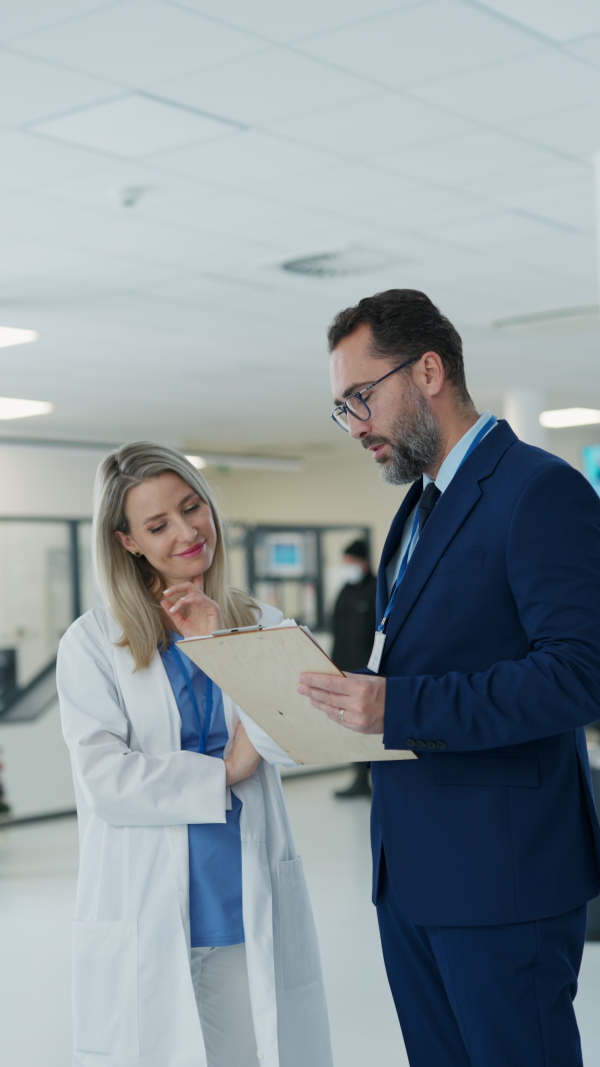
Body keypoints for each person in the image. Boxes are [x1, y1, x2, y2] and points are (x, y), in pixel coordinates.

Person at [297, 288, 600, 1067]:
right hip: (413, 875)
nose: (356, 425)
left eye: (361, 397)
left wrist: (399, 706)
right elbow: (422, 655)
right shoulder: (420, 507)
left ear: (428, 369)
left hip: (504, 881)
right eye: (343, 408)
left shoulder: (538, 489)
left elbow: (579, 672)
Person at [57, 442, 332, 1067]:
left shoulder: (261, 622)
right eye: (158, 525)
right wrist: (229, 769)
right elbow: (107, 781)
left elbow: (297, 737)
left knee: (254, 1053)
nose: (187, 532)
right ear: (127, 541)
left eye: (192, 508)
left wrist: (222, 648)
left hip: (246, 892)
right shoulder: (94, 643)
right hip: (147, 901)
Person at [330, 539, 376, 798]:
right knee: (351, 728)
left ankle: (372, 778)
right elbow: (337, 629)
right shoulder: (345, 591)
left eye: (351, 562)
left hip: (369, 673)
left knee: (370, 727)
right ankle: (359, 778)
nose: (347, 567)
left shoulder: (378, 588)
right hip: (345, 669)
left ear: (363, 562)